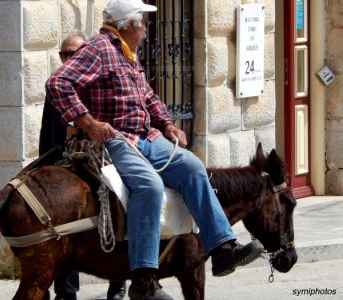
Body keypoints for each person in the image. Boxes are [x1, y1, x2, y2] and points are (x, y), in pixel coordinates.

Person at [45, 1, 262, 299]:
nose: (146, 29)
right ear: (129, 24)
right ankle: (144, 279)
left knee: (193, 168)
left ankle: (223, 247)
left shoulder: (127, 51)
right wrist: (88, 122)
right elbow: (58, 82)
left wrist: (167, 123)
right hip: (117, 139)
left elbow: (147, 95)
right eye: (144, 23)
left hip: (148, 137)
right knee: (149, 186)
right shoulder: (98, 49)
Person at [39, 32, 126, 300]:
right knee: (62, 228)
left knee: (118, 214)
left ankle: (120, 281)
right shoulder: (56, 89)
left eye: (74, 54)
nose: (68, 59)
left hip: (99, 162)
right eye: (64, 54)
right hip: (65, 165)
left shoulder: (98, 87)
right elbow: (47, 132)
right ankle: (66, 292)